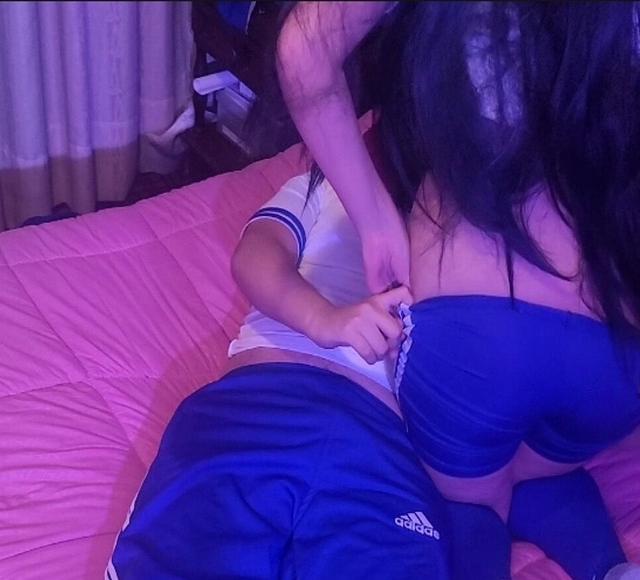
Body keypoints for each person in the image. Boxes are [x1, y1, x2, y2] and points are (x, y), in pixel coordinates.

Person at [276, 2, 640, 579]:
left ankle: (490, 511)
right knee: (540, 471)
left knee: (472, 504)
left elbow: (303, 52)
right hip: (618, 356)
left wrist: (375, 220)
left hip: (474, 336)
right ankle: (612, 568)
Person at [106, 142, 452, 579]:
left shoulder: (469, 231)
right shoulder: (324, 184)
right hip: (259, 403)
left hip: (381, 441)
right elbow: (255, 254)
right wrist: (324, 318)